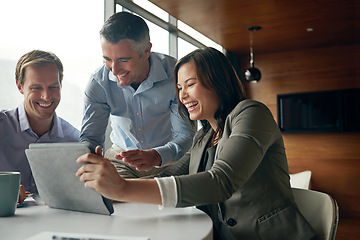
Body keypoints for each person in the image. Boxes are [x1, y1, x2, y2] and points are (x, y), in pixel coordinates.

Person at [76, 47, 316, 240]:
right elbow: (171, 176)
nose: (182, 96)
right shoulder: (203, 137)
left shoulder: (251, 113)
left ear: (217, 80)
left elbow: (220, 181)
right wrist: (106, 191)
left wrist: (123, 189)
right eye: (179, 88)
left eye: (190, 84)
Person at [80, 11, 194, 178]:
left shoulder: (176, 75)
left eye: (123, 60)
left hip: (169, 159)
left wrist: (157, 155)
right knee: (120, 200)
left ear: (146, 50)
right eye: (107, 59)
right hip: (120, 160)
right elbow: (90, 138)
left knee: (167, 197)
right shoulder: (98, 83)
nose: (114, 70)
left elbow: (184, 135)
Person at [0, 50, 80, 199]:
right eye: (36, 88)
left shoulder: (75, 140)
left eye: (53, 87)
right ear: (20, 87)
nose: (46, 96)